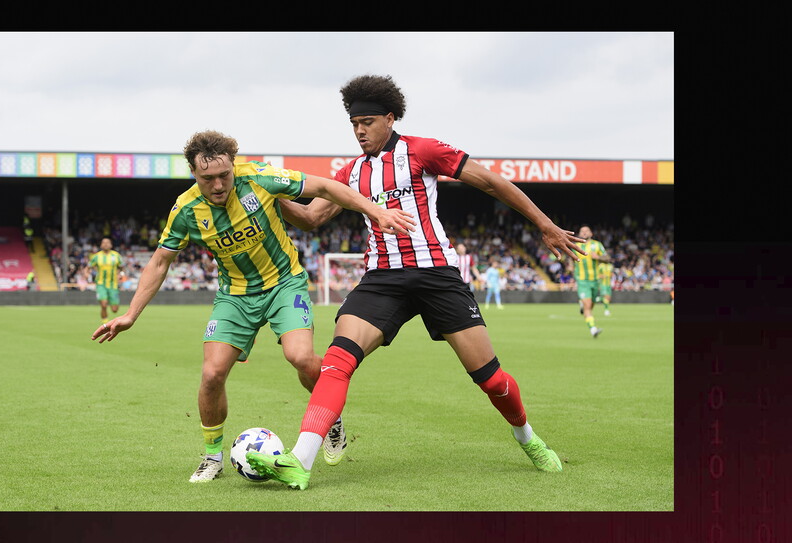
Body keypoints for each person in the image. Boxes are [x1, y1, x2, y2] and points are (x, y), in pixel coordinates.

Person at [248, 73, 586, 490]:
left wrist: (545, 225)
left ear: (390, 118)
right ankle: (300, 460)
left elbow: (491, 182)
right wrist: (264, 194)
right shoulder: (350, 172)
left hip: (437, 275)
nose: (359, 131)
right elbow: (312, 217)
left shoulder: (422, 151)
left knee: (491, 379)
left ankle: (527, 437)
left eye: (367, 122)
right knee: (337, 359)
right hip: (381, 279)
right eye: (353, 124)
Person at [90, 130, 414, 483]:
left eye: (224, 175)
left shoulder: (259, 177)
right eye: (207, 178)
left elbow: (324, 188)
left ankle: (330, 417)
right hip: (235, 296)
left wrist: (375, 211)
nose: (217, 185)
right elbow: (159, 262)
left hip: (283, 283)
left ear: (234, 165)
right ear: (194, 175)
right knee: (212, 374)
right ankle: (213, 456)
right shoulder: (185, 210)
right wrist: (131, 314)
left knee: (302, 359)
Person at [572, 225, 609, 337]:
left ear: (591, 233)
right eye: (581, 231)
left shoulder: (597, 245)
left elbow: (607, 258)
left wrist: (599, 258)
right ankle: (593, 329)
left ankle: (583, 306)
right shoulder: (575, 246)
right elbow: (571, 260)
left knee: (590, 306)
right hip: (582, 281)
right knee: (588, 305)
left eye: (586, 231)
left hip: (595, 280)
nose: (584, 233)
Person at [87, 237, 124, 324]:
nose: (106, 244)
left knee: (115, 310)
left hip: (113, 284)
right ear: (101, 245)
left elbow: (121, 267)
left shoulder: (116, 256)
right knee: (104, 304)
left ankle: (111, 311)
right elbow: (88, 267)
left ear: (111, 245)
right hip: (100, 283)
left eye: (107, 242)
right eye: (104, 242)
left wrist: (120, 274)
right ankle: (105, 324)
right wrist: (86, 274)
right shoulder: (96, 256)